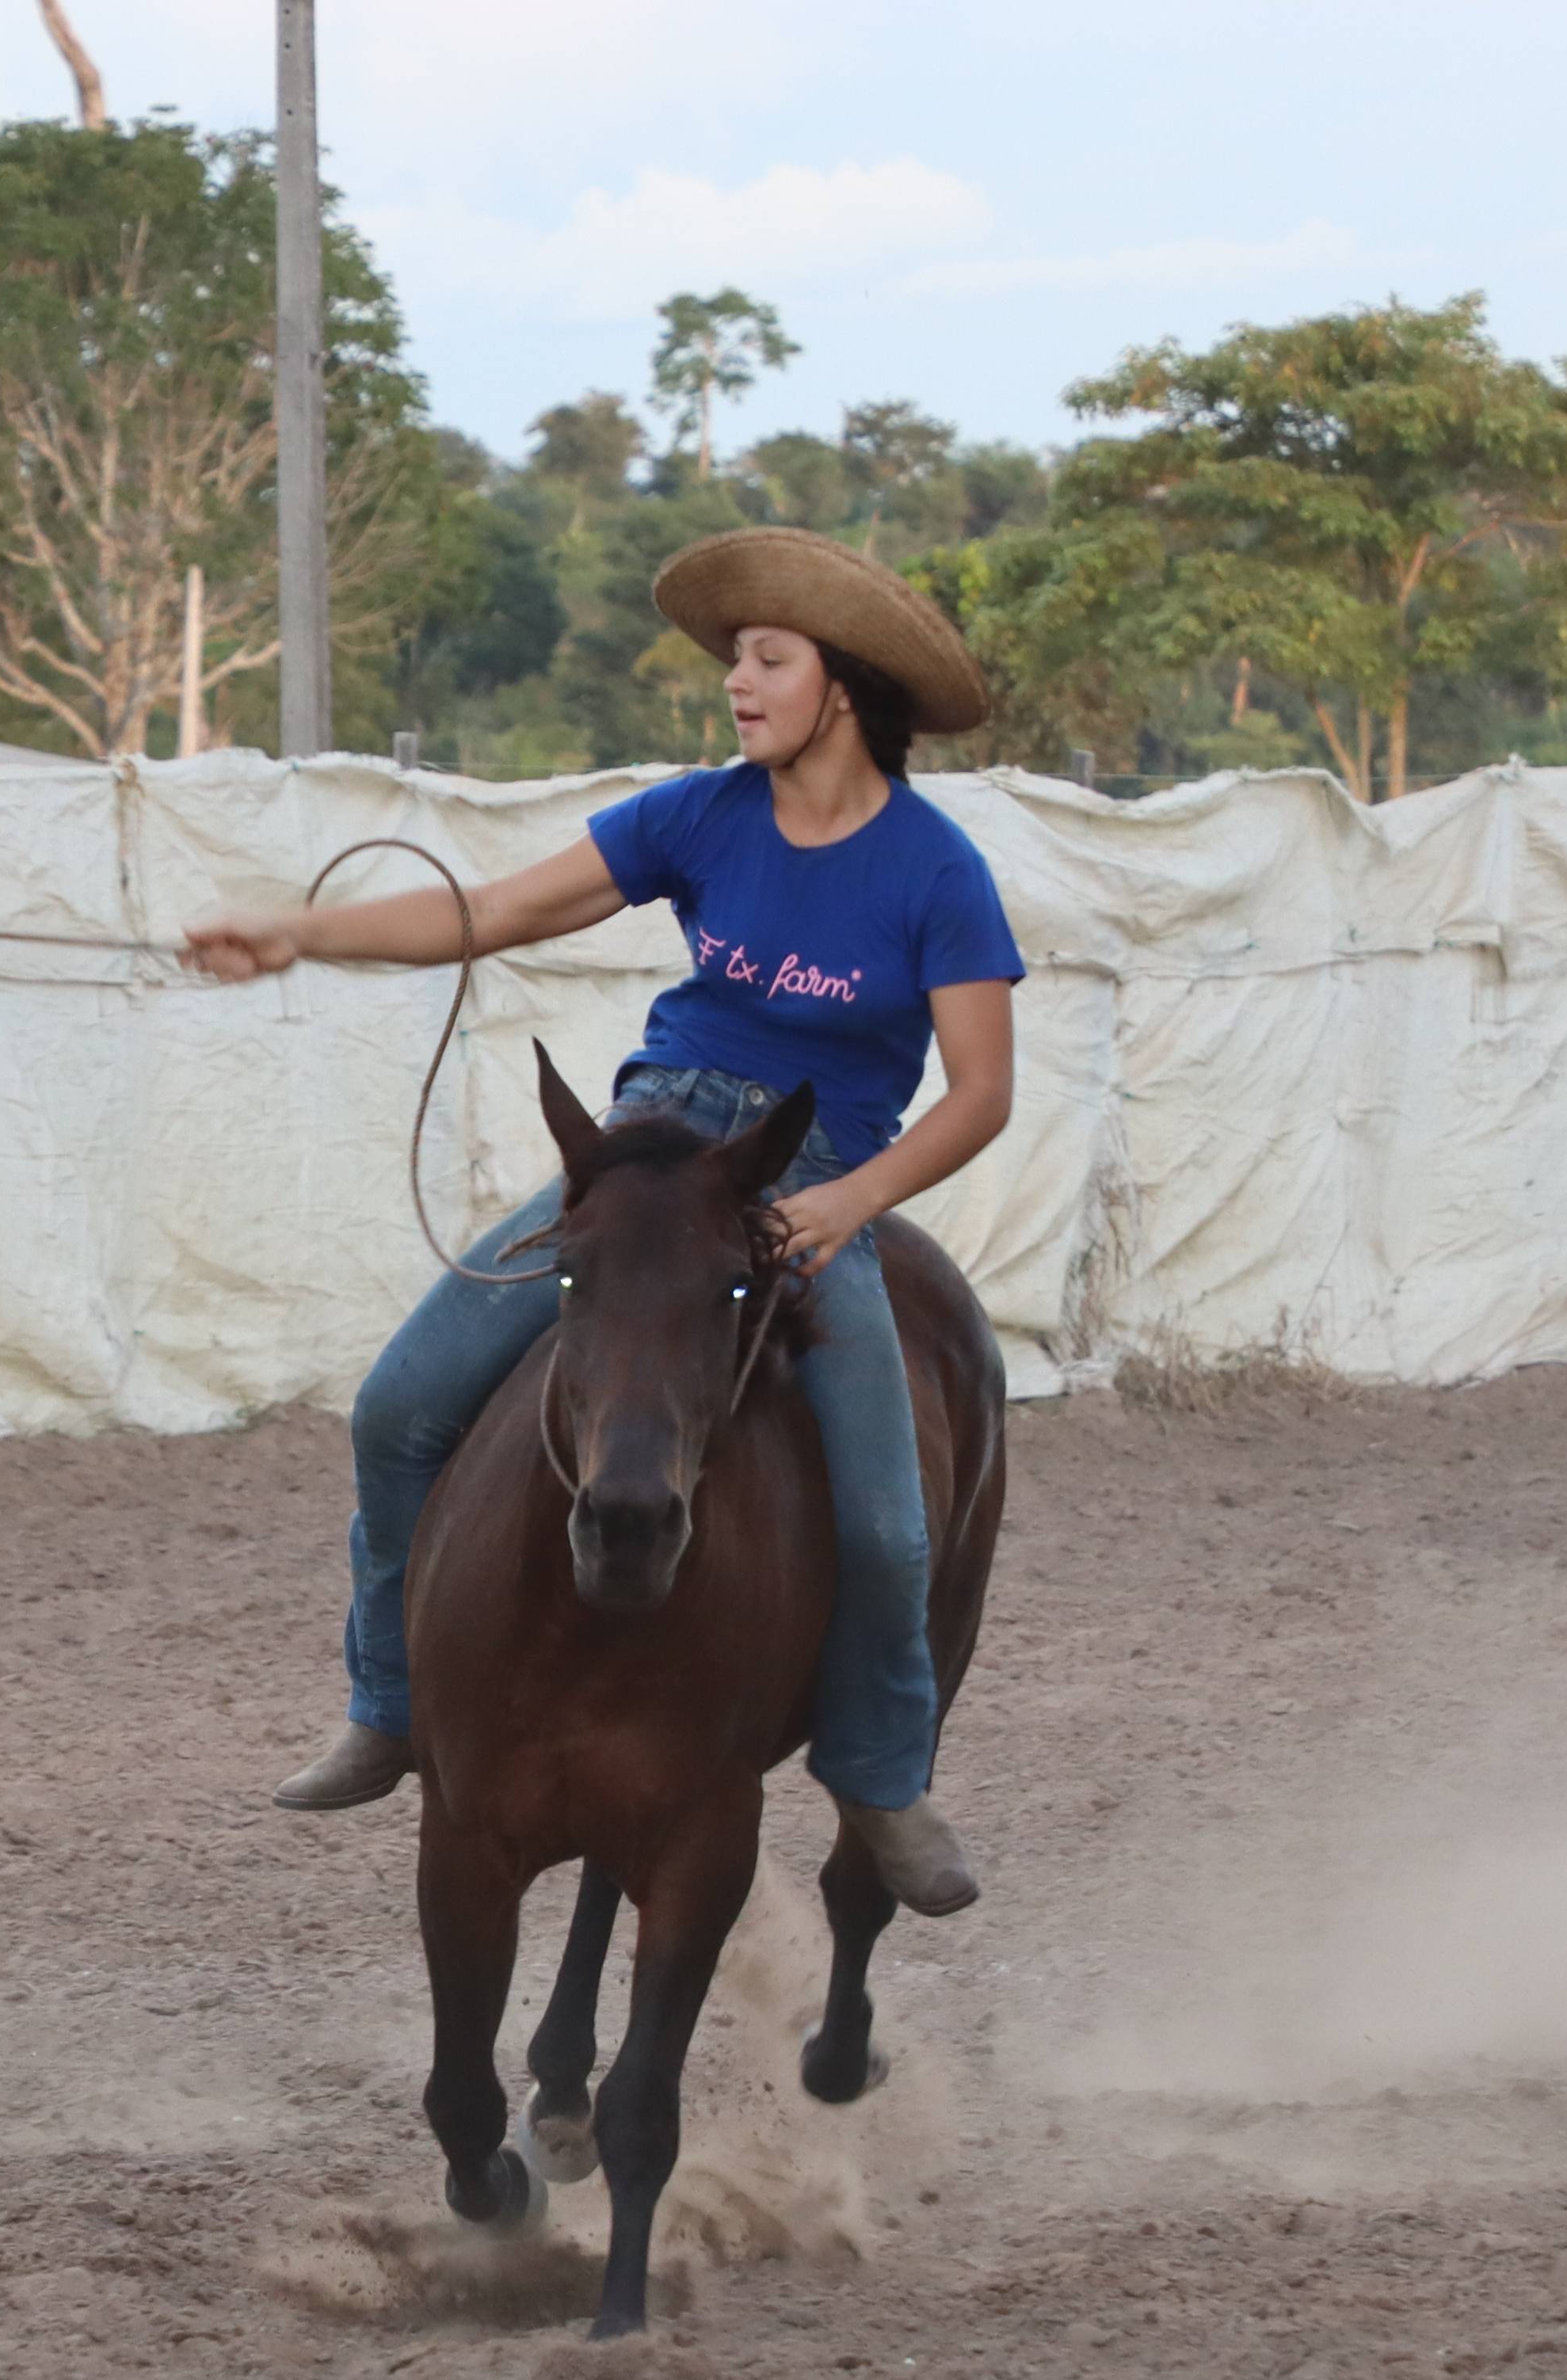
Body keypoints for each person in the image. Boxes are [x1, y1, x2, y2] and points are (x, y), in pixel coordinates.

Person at [182, 529, 1020, 1913]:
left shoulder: (936, 872)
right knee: (400, 1408)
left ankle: (881, 1782)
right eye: (736, 660)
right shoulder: (697, 815)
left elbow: (982, 1092)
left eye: (769, 660)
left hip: (807, 1182)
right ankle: (390, 1705)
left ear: (846, 687)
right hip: (648, 1158)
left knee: (886, 1523)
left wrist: (849, 1202)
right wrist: (297, 935)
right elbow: (495, 910)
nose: (737, 684)